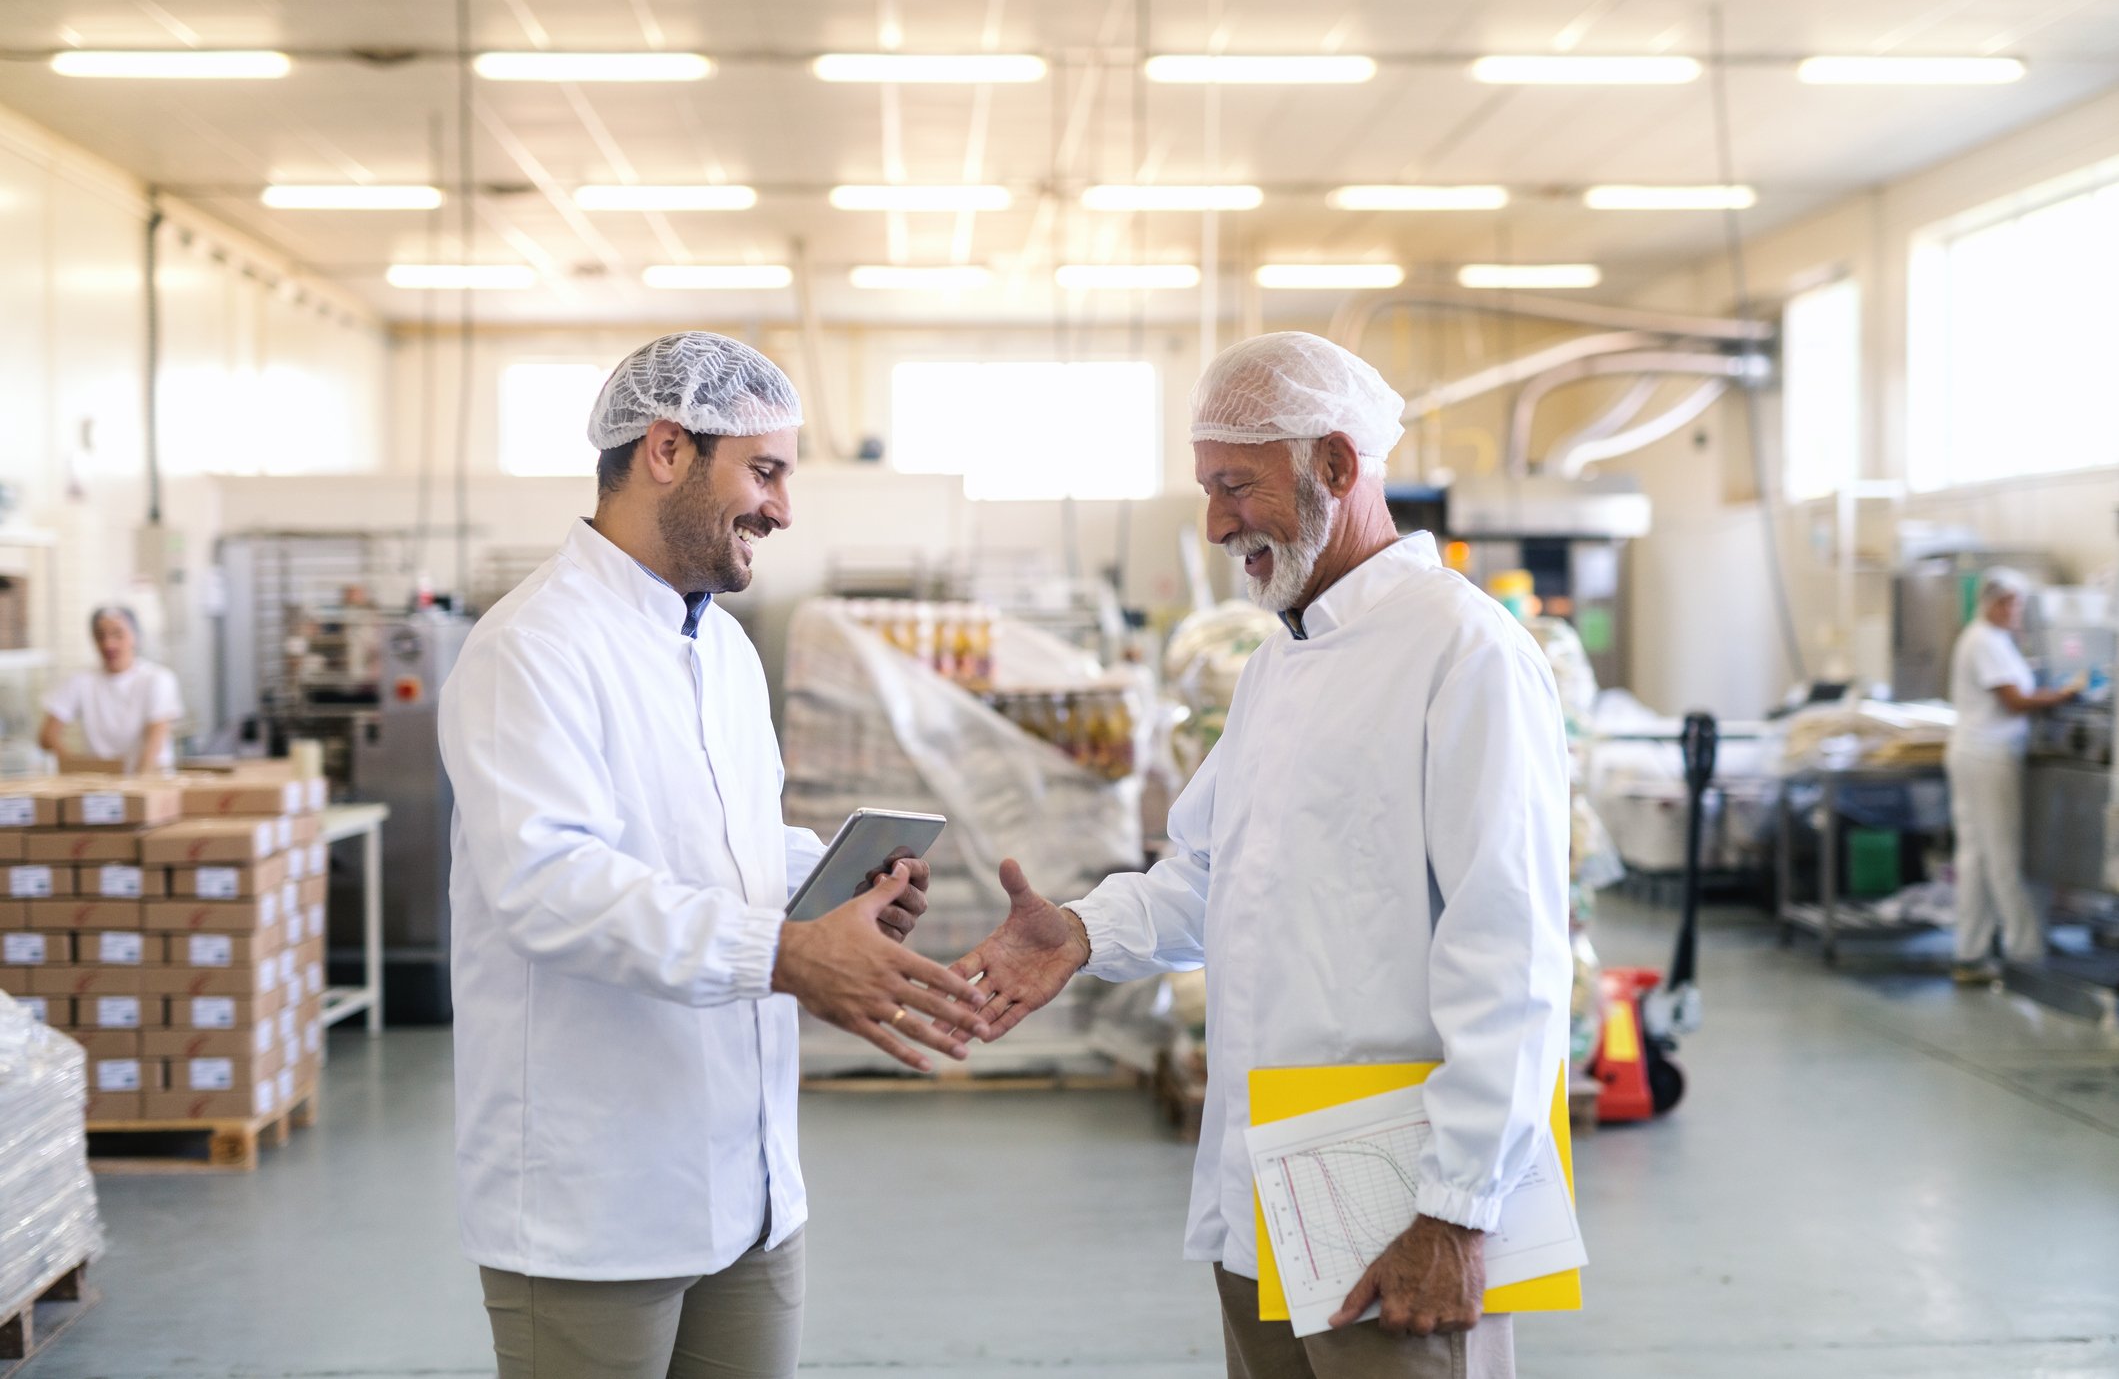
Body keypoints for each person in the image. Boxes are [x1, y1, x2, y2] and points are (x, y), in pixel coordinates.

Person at [954, 332, 1572, 1379]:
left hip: (1399, 1204)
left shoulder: (1462, 652)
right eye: (1206, 488)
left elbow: (1508, 946)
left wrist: (1458, 1209)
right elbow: (1208, 872)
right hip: (1268, 1191)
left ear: (1335, 464)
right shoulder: (1279, 664)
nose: (1213, 523)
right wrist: (1082, 931)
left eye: (1235, 484)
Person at [438, 332, 992, 1379]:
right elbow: (548, 887)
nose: (782, 510)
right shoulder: (532, 648)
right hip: (593, 1204)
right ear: (664, 450)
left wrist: (828, 890)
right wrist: (785, 956)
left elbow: (728, 842)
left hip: (750, 1191)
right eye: (765, 470)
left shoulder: (721, 647)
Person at [1945, 566, 2081, 983]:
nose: (2014, 610)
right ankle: (2025, 952)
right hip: (1988, 755)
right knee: (2002, 856)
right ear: (1990, 602)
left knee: (1976, 856)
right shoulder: (1984, 640)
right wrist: (2066, 693)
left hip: (1973, 751)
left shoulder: (1990, 639)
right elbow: (2013, 701)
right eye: (2008, 603)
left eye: (2018, 603)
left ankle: (1970, 952)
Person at [38, 604, 183, 772]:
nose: (108, 644)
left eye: (117, 634)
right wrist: (76, 770)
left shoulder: (158, 679)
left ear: (136, 637)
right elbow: (47, 736)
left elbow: (156, 739)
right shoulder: (81, 681)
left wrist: (136, 787)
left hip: (151, 780)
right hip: (102, 788)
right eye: (100, 636)